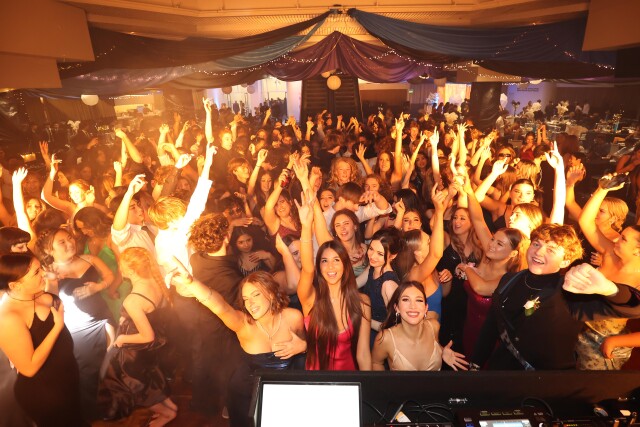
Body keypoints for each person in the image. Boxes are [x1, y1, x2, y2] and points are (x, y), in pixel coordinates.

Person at [471, 224, 640, 370]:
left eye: (551, 250)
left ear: (565, 261)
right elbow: (491, 326)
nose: (539, 252)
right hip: (502, 372)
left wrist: (609, 288)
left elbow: (634, 307)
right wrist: (475, 364)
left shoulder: (570, 292)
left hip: (544, 383)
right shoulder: (509, 280)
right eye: (536, 244)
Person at [171, 270, 306, 427]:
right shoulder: (244, 325)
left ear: (270, 293)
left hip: (282, 392)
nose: (250, 303)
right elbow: (219, 306)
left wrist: (305, 346)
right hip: (247, 395)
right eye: (246, 299)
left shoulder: (293, 317)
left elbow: (306, 348)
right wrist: (191, 282)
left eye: (256, 295)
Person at [36, 227, 115, 420]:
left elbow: (109, 276)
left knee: (111, 361)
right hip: (78, 327)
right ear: (49, 250)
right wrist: (52, 281)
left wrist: (99, 287)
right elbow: (52, 302)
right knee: (86, 370)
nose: (70, 243)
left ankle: (116, 403)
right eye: (62, 242)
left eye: (70, 238)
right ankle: (90, 412)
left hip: (103, 317)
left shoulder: (90, 259)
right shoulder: (47, 272)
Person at [0, 253, 87, 427]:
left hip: (66, 377)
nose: (44, 274)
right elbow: (29, 368)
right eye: (36, 272)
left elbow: (49, 305)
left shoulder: (32, 292)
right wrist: (57, 327)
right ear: (15, 285)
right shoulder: (8, 317)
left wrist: (53, 282)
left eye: (40, 268)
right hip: (45, 391)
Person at [99, 248, 177, 426]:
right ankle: (171, 407)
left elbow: (147, 336)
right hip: (149, 348)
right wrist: (127, 318)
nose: (119, 268)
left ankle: (167, 413)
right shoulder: (155, 282)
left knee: (136, 386)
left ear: (131, 270)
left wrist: (121, 340)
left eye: (121, 265)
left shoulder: (133, 300)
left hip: (136, 349)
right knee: (149, 380)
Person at [297, 190, 372, 370]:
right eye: (324, 261)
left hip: (349, 379)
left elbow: (363, 354)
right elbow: (307, 269)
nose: (330, 267)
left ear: (345, 265)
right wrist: (306, 227)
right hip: (316, 381)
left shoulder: (362, 303)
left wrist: (366, 385)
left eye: (336, 260)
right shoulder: (310, 299)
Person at [371, 281, 468, 371]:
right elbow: (376, 363)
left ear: (426, 308)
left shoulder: (434, 326)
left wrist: (442, 351)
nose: (413, 306)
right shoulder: (385, 338)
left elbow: (435, 343)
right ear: (397, 308)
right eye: (405, 300)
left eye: (419, 300)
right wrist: (385, 382)